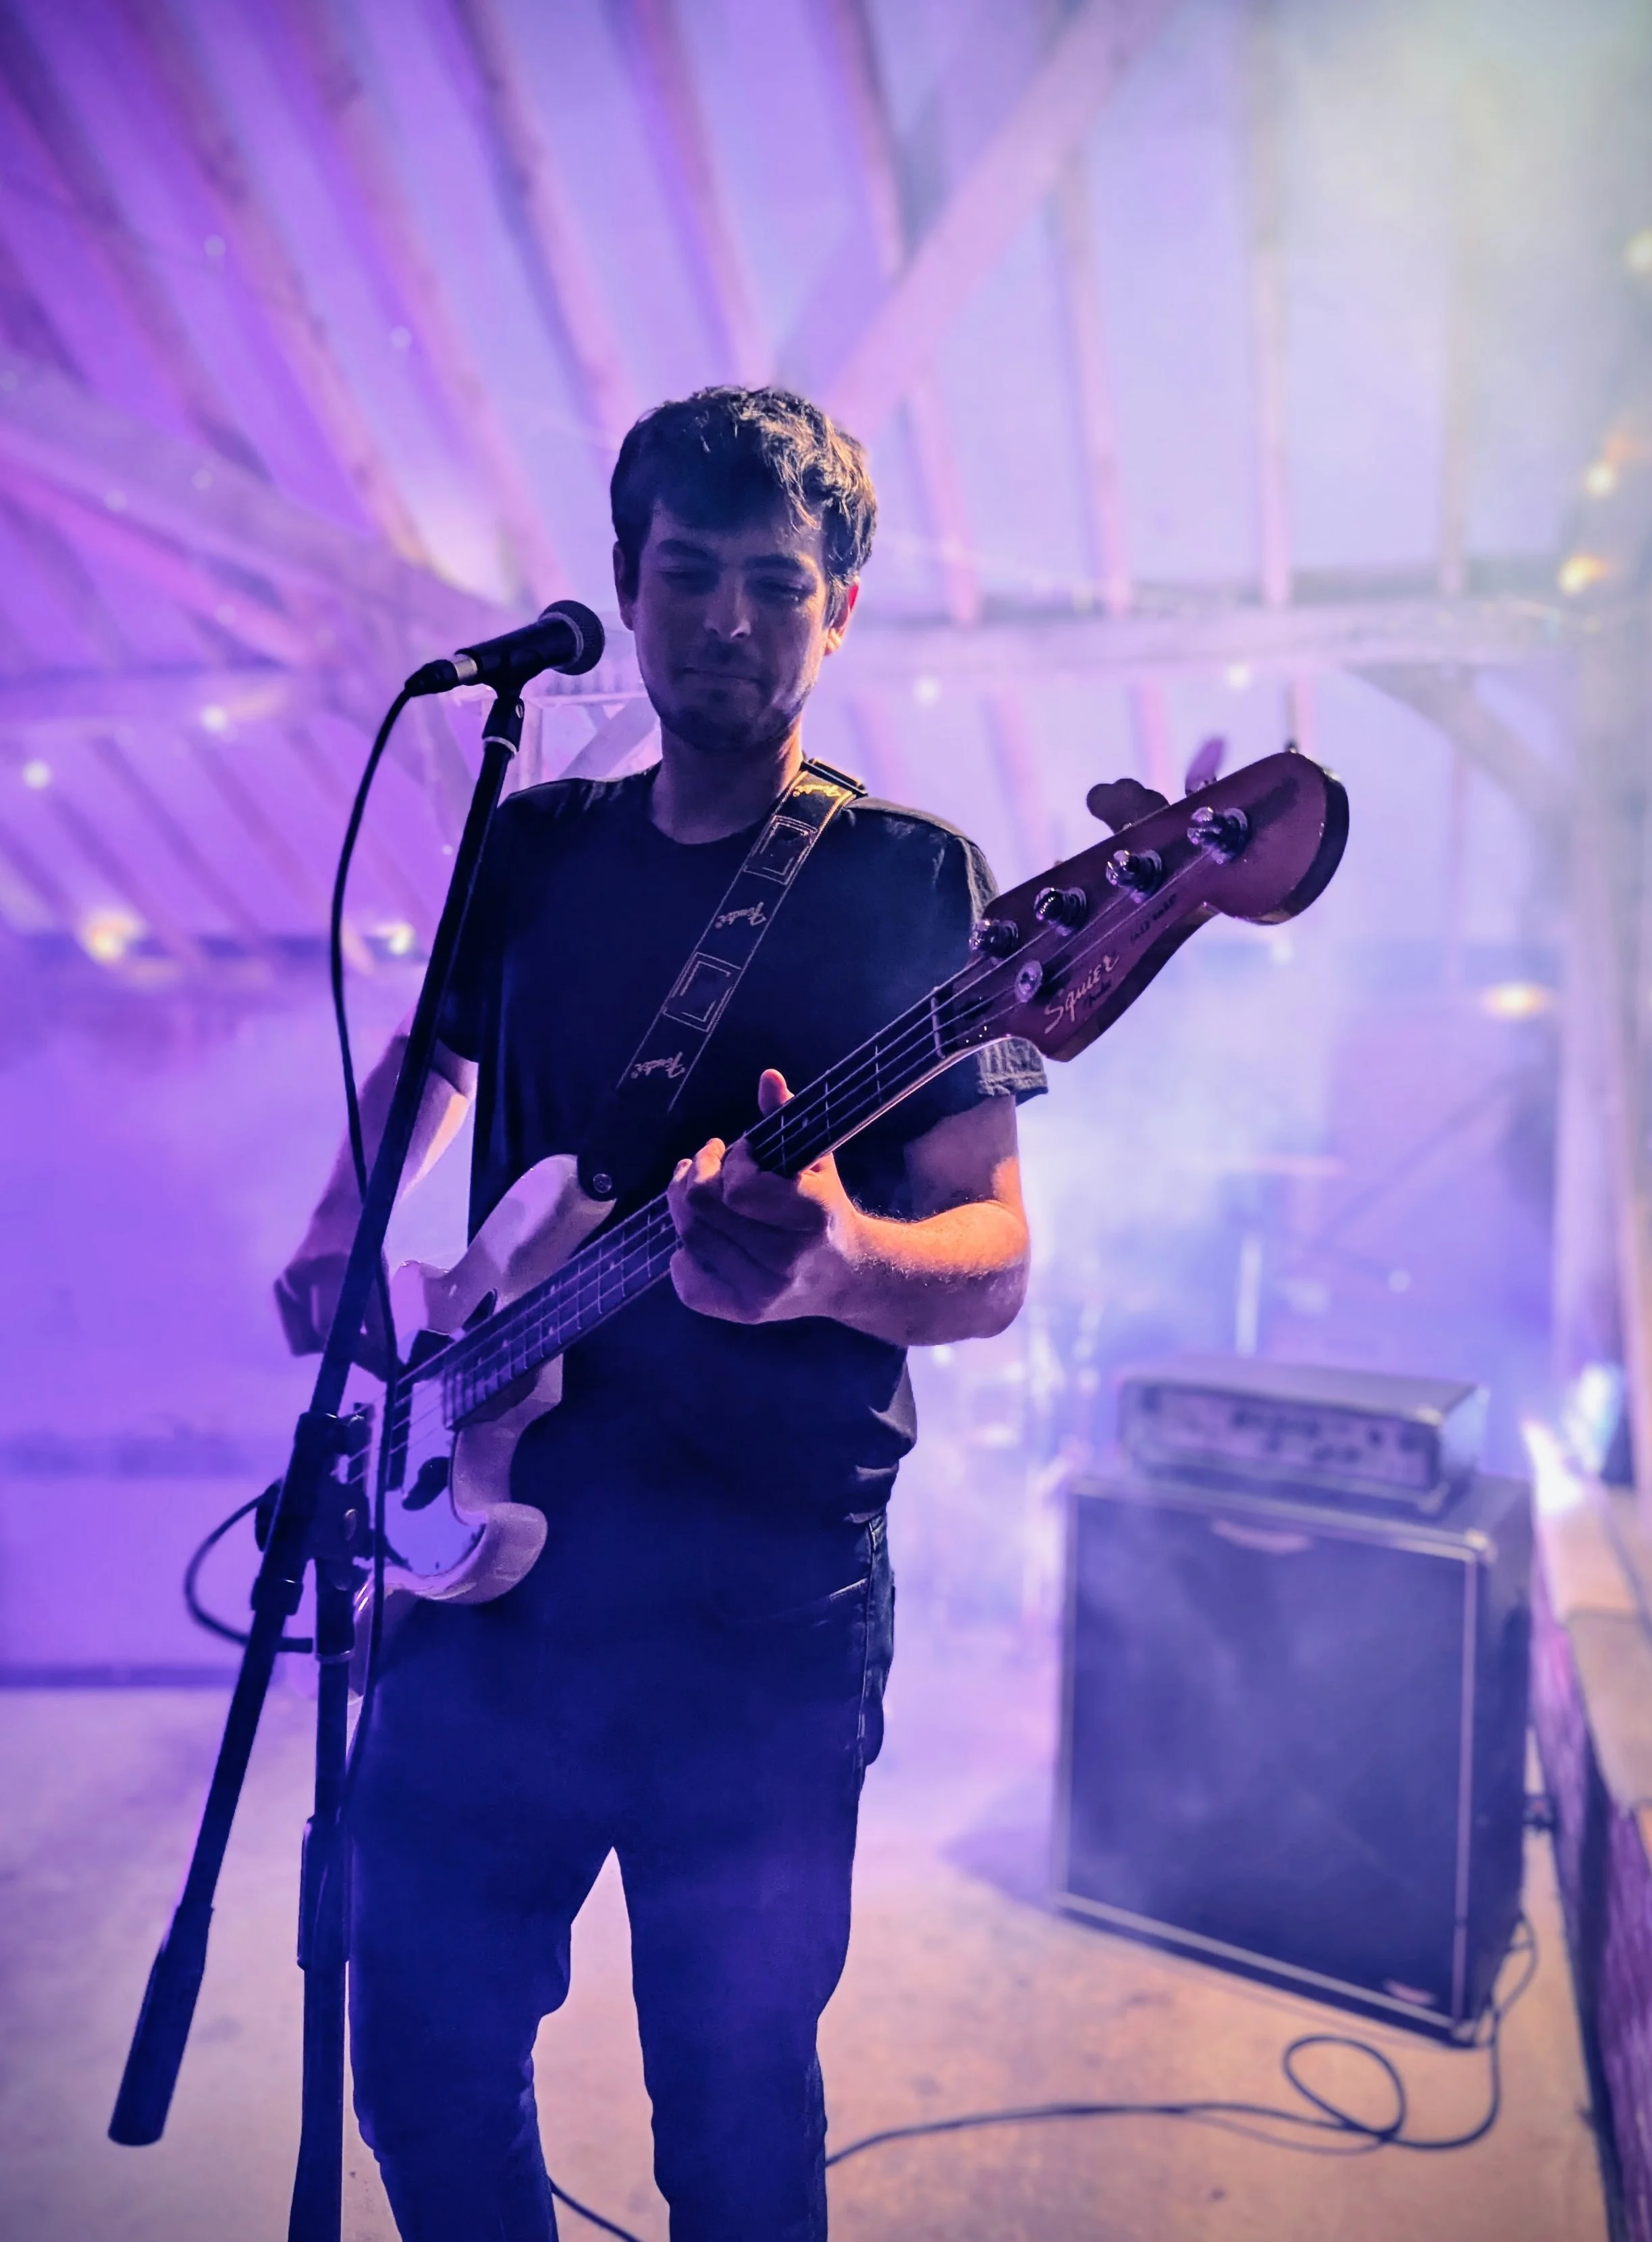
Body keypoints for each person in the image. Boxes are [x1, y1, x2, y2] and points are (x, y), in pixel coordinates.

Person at [277, 387, 1048, 2242]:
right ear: (624, 588)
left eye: (775, 586)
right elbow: (430, 1055)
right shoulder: (531, 846)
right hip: (491, 1580)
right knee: (424, 2066)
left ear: (839, 610)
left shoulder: (906, 884)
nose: (724, 621)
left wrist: (843, 1264)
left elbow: (998, 1260)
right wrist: (344, 1217)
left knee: (730, 2115)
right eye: (685, 575)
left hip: (760, 1611)